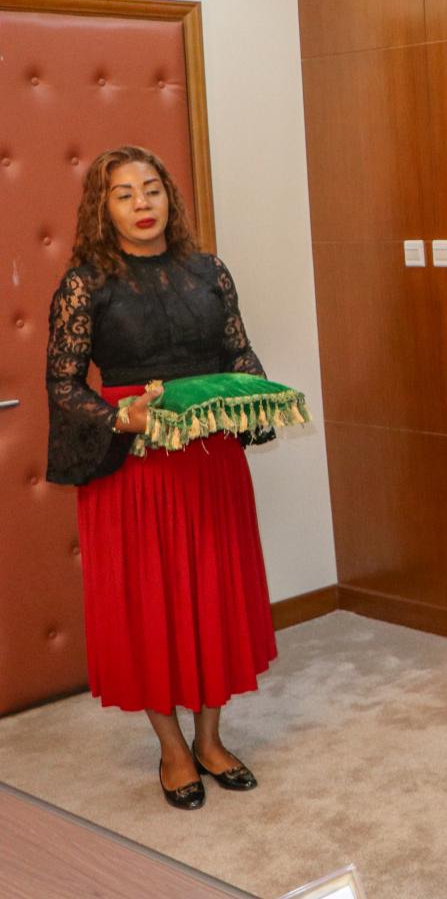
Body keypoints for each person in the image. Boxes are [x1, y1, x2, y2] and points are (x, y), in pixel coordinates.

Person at [45, 146, 277, 811]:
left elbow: (238, 350)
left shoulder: (209, 271)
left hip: (209, 463)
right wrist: (120, 417)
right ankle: (171, 749)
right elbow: (62, 385)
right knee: (151, 606)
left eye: (151, 189)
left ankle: (210, 739)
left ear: (169, 197)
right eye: (124, 194)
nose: (142, 204)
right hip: (135, 468)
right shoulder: (87, 282)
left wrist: (256, 394)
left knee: (212, 596)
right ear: (103, 207)